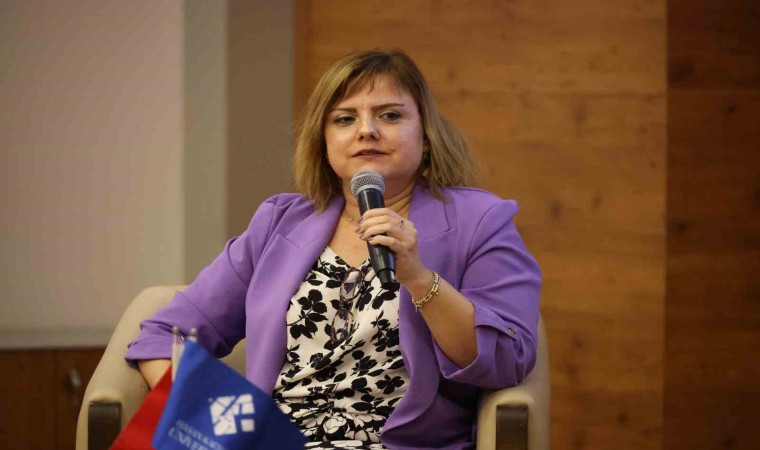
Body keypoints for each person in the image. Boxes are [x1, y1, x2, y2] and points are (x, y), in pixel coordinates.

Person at [126, 49, 541, 450]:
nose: (367, 130)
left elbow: (506, 360)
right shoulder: (278, 223)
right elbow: (164, 336)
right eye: (345, 119)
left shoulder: (479, 221)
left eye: (390, 115)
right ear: (324, 143)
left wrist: (419, 278)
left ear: (427, 136)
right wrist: (214, 427)